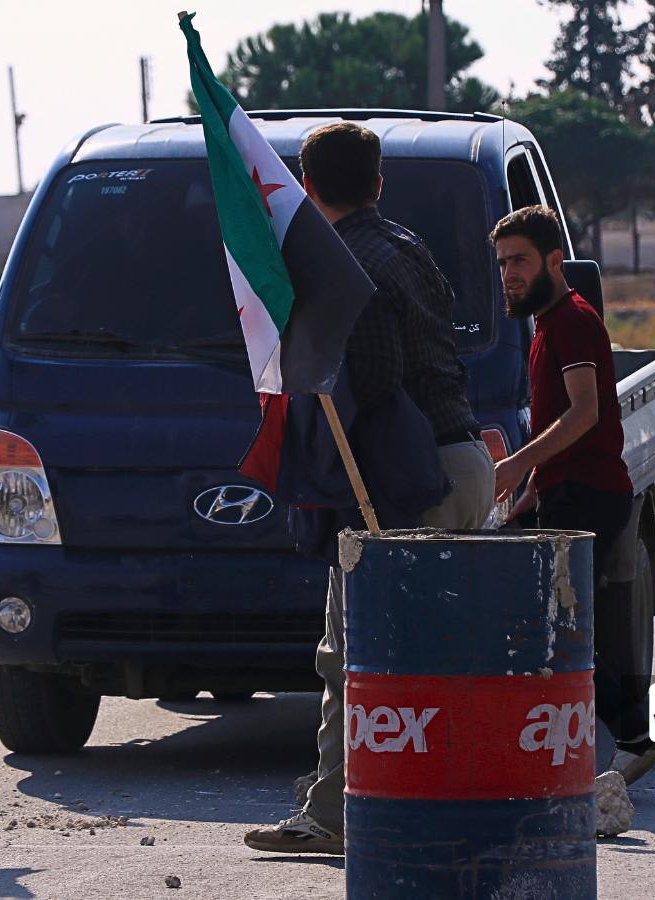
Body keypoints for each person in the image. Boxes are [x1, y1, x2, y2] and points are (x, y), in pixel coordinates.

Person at [243, 123, 494, 855]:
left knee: (358, 655)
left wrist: (312, 370)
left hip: (403, 482)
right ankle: (437, 804)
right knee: (440, 654)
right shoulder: (408, 247)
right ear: (379, 182)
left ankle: (336, 817)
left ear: (306, 187)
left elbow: (377, 379)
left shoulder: (348, 265)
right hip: (459, 461)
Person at [488, 205, 655, 783]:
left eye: (520, 260)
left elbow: (584, 413)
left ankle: (633, 733)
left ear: (553, 261)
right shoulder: (544, 324)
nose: (509, 273)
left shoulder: (573, 321)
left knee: (559, 627)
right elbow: (556, 422)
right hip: (564, 490)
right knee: (536, 617)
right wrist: (534, 487)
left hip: (590, 494)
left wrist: (515, 464)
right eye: (503, 262)